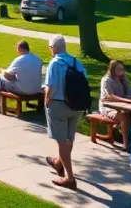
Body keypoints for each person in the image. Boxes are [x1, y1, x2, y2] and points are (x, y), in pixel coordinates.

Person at [43, 34, 87, 190]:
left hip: (59, 104)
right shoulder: (77, 62)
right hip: (76, 106)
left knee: (61, 141)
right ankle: (58, 163)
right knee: (69, 139)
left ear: (53, 48)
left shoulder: (54, 63)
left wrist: (46, 102)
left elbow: (51, 87)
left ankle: (69, 177)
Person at [0, 40, 43, 113]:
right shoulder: (38, 59)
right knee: (8, 80)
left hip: (24, 90)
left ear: (19, 48)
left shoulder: (20, 60)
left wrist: (1, 70)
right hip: (36, 89)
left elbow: (7, 75)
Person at [99, 60, 131, 149]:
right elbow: (110, 96)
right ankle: (126, 144)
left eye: (122, 69)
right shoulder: (106, 80)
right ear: (112, 69)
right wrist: (128, 100)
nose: (121, 71)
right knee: (125, 116)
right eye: (119, 69)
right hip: (108, 107)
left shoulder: (124, 78)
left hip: (124, 105)